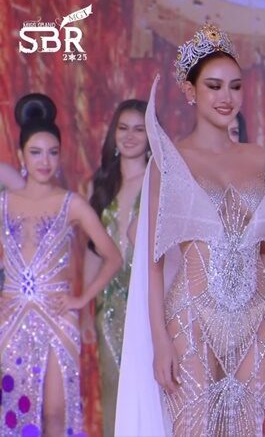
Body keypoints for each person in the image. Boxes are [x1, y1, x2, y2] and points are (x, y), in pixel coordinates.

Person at [114, 23, 265, 436]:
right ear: (190, 91)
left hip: (256, 314)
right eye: (214, 86)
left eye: (235, 87)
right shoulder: (169, 161)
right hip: (190, 313)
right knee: (193, 428)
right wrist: (159, 339)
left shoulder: (260, 159)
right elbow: (154, 259)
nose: (226, 97)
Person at [0, 93, 122, 436]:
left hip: (57, 316)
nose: (45, 160)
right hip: (11, 317)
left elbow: (112, 257)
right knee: (17, 411)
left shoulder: (72, 203)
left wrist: (81, 300)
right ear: (22, 156)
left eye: (53, 152)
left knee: (56, 412)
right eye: (36, 152)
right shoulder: (4, 202)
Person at [83, 99, 149, 436]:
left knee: (147, 392)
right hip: (108, 304)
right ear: (114, 134)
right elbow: (93, 253)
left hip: (147, 302)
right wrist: (85, 309)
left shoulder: (157, 181)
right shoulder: (101, 184)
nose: (130, 136)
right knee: (113, 388)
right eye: (123, 128)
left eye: (139, 129)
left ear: (150, 136)